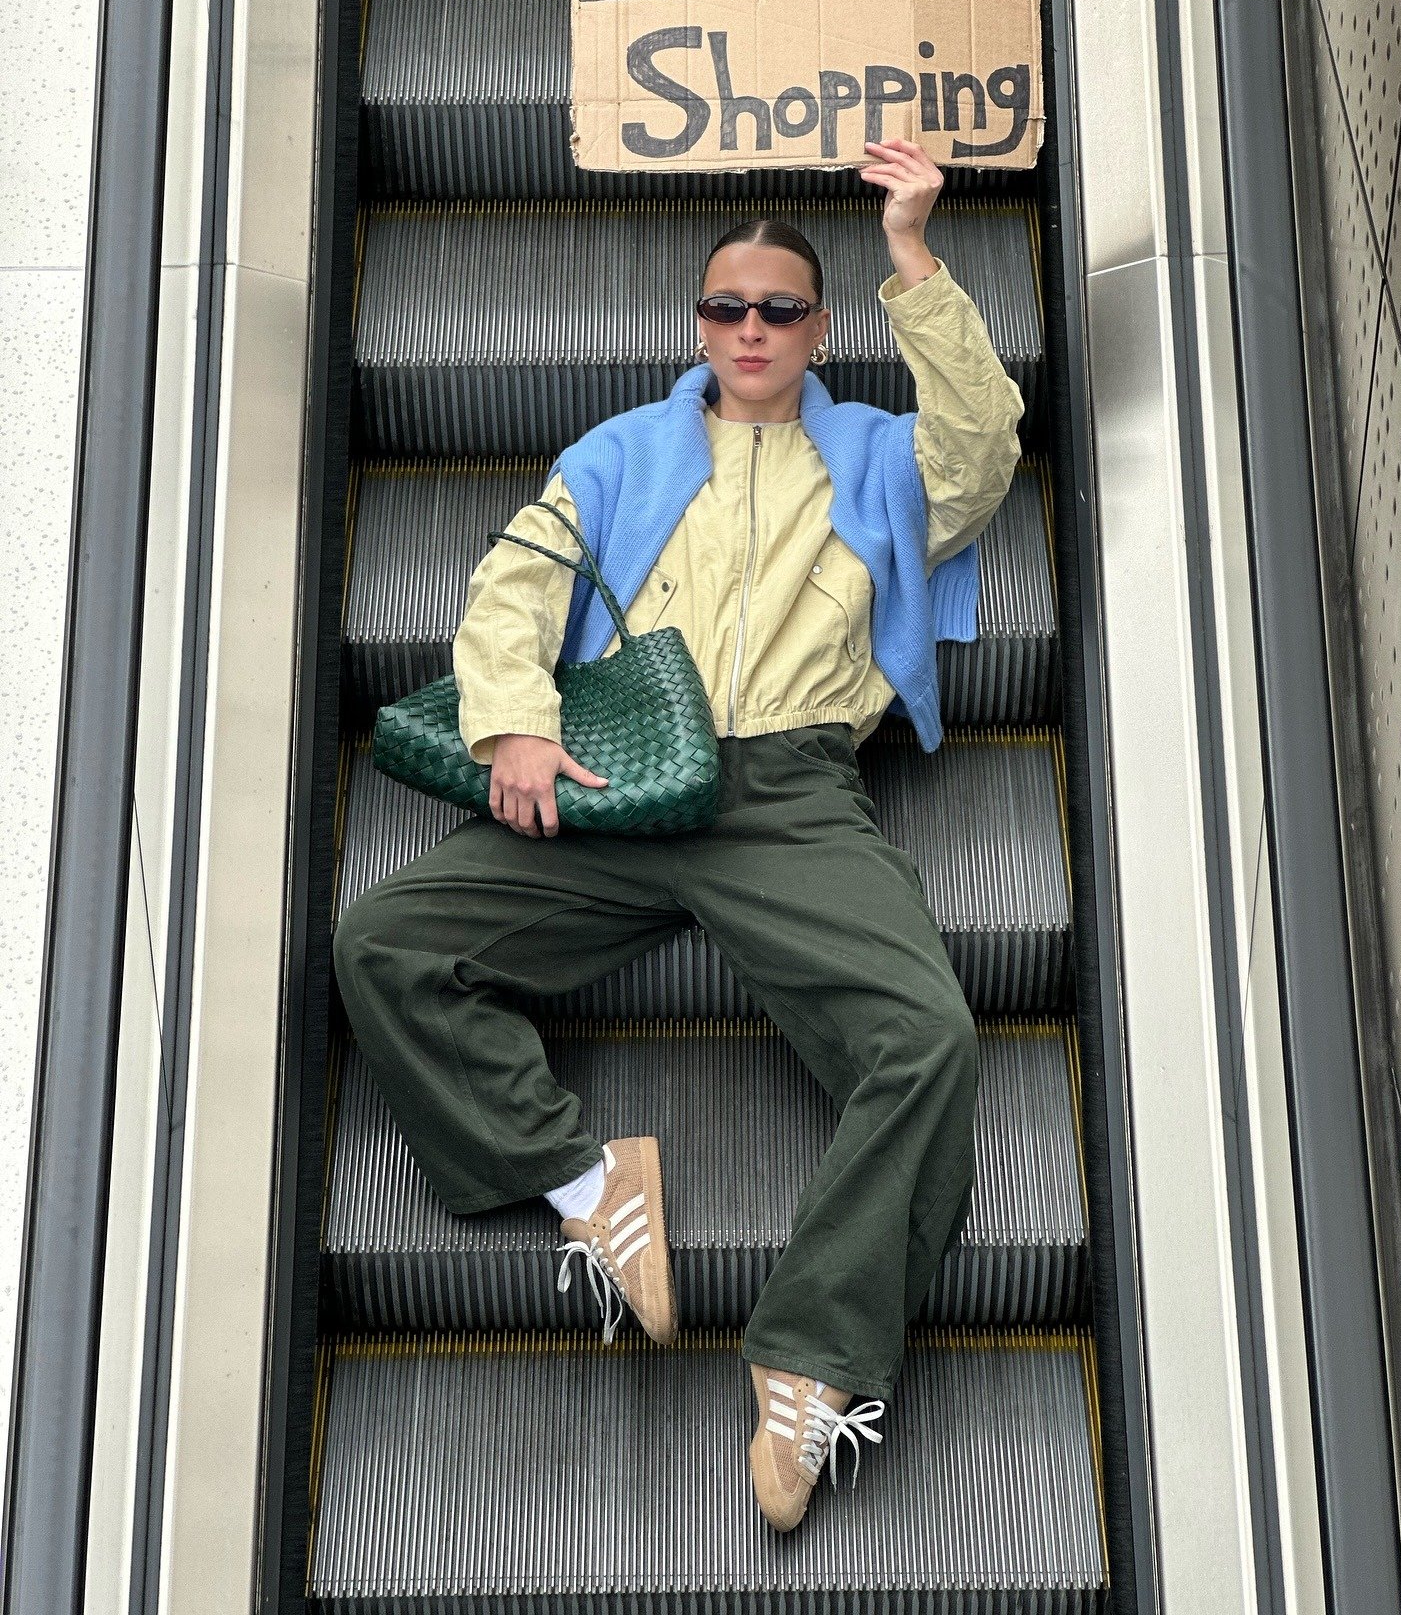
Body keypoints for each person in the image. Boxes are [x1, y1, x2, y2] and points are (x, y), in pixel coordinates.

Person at [332, 137, 1025, 1534]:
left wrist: (912, 255)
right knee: (387, 940)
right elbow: (515, 581)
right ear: (696, 323)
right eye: (726, 308)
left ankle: (812, 1358)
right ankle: (588, 1180)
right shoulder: (624, 452)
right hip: (626, 778)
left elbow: (985, 445)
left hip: (791, 795)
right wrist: (515, 724)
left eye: (779, 310)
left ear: (819, 330)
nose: (752, 330)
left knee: (928, 1038)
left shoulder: (881, 457)